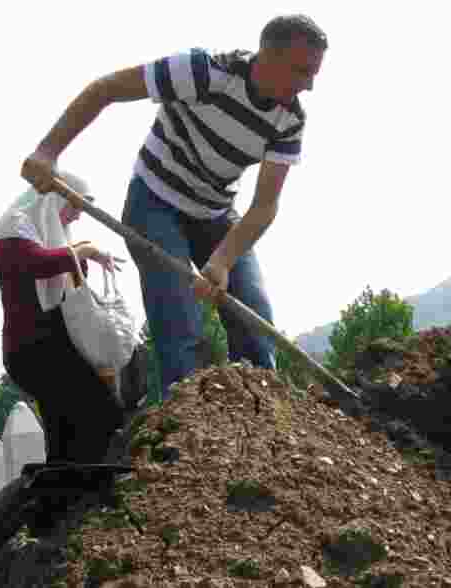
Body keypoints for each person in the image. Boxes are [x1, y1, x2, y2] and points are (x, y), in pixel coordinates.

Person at [21, 14, 327, 402]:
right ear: (267, 56)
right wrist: (47, 153)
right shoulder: (201, 71)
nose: (309, 85)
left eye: (314, 74)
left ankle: (266, 423)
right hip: (155, 202)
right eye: (301, 71)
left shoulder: (290, 119)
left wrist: (222, 260)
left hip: (215, 214)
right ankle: (183, 434)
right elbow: (105, 90)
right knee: (181, 322)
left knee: (255, 321)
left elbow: (265, 207)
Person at [0, 172, 125, 469]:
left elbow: (69, 279)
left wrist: (81, 256)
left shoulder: (50, 236)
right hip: (32, 349)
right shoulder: (13, 231)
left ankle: (62, 505)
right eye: (75, 206)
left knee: (66, 433)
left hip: (53, 346)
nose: (76, 217)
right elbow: (39, 264)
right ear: (55, 198)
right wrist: (84, 251)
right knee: (102, 411)